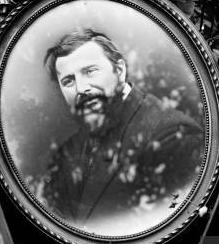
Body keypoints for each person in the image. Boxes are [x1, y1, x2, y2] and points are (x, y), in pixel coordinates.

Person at [36, 28, 204, 233]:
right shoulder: (68, 152)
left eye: (90, 71)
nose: (81, 89)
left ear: (120, 70)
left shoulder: (171, 134)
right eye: (68, 81)